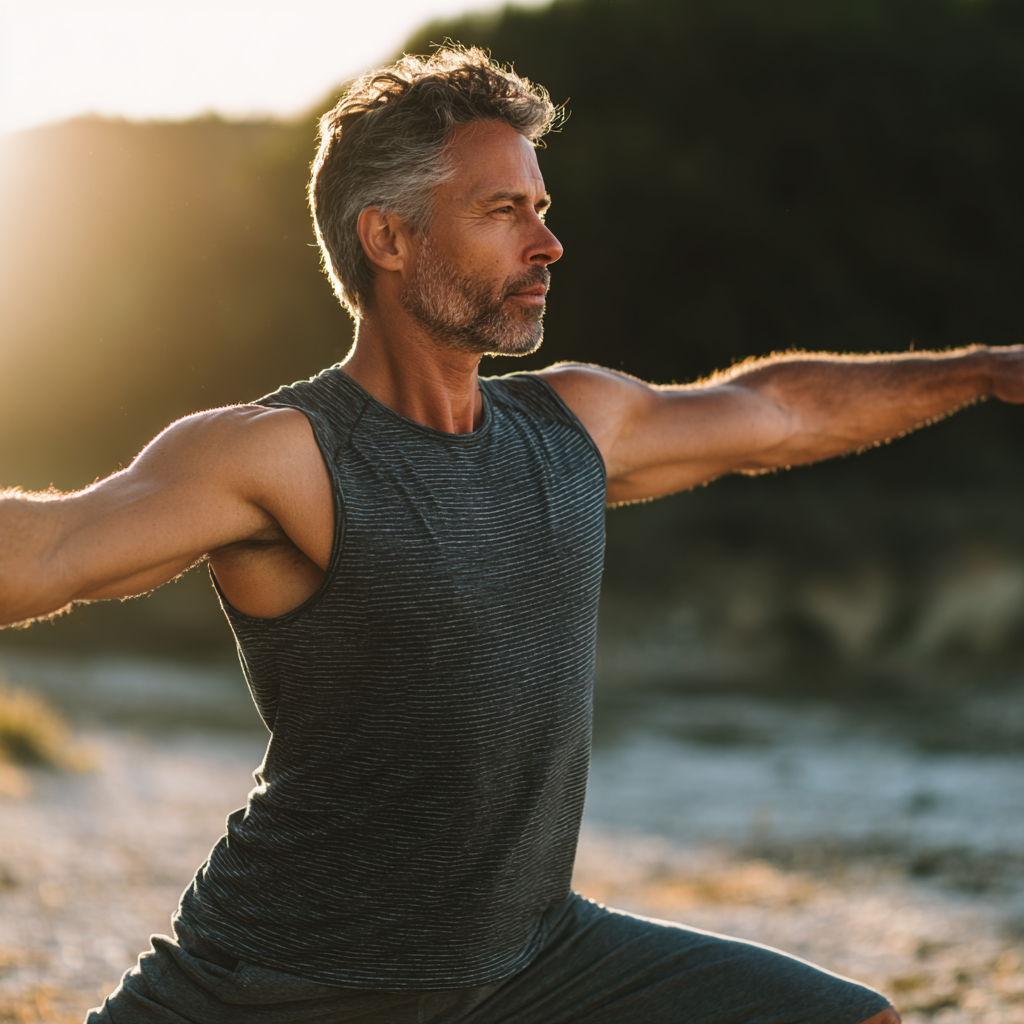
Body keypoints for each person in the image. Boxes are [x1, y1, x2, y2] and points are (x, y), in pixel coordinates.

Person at [1, 46, 1020, 1024]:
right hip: (281, 981)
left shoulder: (573, 424)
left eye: (540, 209)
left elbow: (775, 414)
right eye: (501, 212)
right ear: (387, 238)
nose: (546, 243)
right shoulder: (280, 454)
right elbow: (44, 552)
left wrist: (980, 369)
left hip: (531, 968)